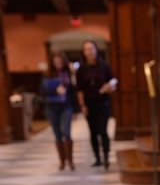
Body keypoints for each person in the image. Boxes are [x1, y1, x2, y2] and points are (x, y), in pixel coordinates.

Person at [76, 40, 116, 170]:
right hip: (89, 104)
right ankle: (97, 158)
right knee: (93, 132)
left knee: (103, 131)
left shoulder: (104, 66)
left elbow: (114, 83)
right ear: (84, 52)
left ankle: (106, 157)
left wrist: (109, 87)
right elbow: (79, 89)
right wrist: (82, 106)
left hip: (103, 103)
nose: (89, 51)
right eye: (86, 49)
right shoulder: (81, 69)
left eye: (91, 48)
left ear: (96, 50)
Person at [41, 52, 75, 171]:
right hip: (51, 107)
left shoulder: (69, 74)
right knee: (57, 135)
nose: (58, 63)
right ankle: (62, 161)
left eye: (60, 61)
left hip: (66, 106)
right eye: (55, 61)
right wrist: (55, 91)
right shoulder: (47, 75)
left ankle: (70, 160)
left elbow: (73, 91)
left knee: (66, 131)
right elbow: (42, 92)